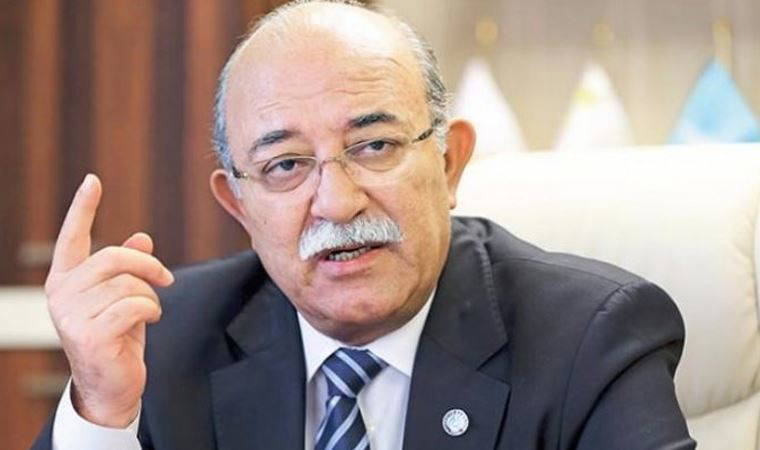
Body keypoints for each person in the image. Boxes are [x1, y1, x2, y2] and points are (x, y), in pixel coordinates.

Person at [34, 1, 695, 449]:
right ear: (238, 206)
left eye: (374, 146)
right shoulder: (164, 340)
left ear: (449, 162)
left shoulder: (592, 338)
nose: (336, 203)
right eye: (286, 164)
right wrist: (101, 413)